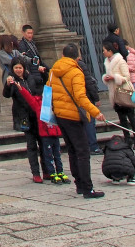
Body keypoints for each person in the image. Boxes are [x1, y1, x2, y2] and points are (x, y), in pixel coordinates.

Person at [50, 43, 105, 198]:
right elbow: (81, 97)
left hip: (60, 115)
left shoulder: (54, 71)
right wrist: (95, 112)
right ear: (78, 56)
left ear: (62, 55)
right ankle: (88, 188)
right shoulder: (75, 72)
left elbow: (49, 90)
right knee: (82, 151)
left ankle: (79, 185)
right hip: (74, 115)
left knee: (73, 150)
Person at [14, 72, 70, 183]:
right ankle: (52, 172)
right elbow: (29, 98)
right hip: (45, 134)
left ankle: (60, 171)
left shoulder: (51, 104)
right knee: (49, 154)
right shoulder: (37, 104)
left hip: (54, 133)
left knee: (57, 154)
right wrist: (21, 89)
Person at [3, 59, 48, 182]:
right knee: (32, 145)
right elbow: (6, 94)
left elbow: (42, 84)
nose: (18, 70)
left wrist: (44, 72)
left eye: (20, 68)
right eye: (16, 68)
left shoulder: (30, 78)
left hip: (36, 115)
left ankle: (47, 170)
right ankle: (35, 173)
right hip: (24, 116)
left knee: (43, 143)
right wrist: (7, 85)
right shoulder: (11, 80)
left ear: (24, 68)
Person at [102, 37, 135, 141]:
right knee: (122, 119)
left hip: (124, 93)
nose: (103, 52)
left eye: (104, 50)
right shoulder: (106, 62)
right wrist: (106, 78)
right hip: (115, 94)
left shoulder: (120, 61)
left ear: (110, 51)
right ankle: (127, 139)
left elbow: (127, 77)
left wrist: (115, 77)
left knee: (131, 117)